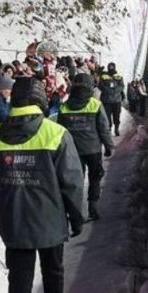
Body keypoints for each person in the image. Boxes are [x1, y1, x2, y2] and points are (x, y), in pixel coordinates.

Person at [0, 77, 85, 293]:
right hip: (49, 219)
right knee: (54, 272)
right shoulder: (56, 134)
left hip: (13, 222)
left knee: (19, 279)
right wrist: (77, 216)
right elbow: (72, 182)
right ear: (40, 99)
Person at [55, 73, 112, 220]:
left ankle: (75, 211)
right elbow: (103, 128)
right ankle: (92, 205)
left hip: (73, 151)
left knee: (75, 181)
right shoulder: (95, 104)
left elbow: (59, 131)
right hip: (93, 149)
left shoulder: (65, 106)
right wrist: (108, 146)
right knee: (95, 177)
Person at [97, 62, 125, 136]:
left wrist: (114, 91)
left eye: (112, 67)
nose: (111, 68)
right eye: (110, 67)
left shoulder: (118, 76)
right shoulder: (103, 76)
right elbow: (100, 85)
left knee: (117, 116)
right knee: (107, 116)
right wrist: (108, 90)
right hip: (106, 100)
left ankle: (116, 129)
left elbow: (121, 86)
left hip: (116, 100)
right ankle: (108, 129)